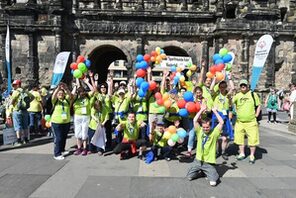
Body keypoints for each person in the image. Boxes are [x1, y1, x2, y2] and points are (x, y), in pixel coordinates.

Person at [186, 104, 224, 186]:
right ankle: (202, 172)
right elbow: (194, 121)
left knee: (213, 183)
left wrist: (215, 111)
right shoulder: (199, 131)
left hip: (208, 162)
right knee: (189, 177)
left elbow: (221, 122)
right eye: (204, 127)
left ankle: (210, 172)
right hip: (198, 161)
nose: (205, 129)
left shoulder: (214, 133)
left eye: (207, 127)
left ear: (210, 126)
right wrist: (201, 110)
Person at [232, 79, 261, 164]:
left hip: (251, 121)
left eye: (244, 85)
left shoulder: (253, 94)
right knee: (239, 138)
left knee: (253, 139)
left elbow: (258, 105)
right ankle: (242, 153)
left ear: (247, 86)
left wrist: (256, 114)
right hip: (239, 121)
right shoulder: (237, 95)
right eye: (241, 85)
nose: (243, 86)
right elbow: (231, 102)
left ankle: (252, 155)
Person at [51, 82, 72, 160]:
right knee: (58, 138)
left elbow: (70, 95)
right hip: (56, 122)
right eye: (59, 93)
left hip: (66, 122)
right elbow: (53, 96)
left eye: (62, 93)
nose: (60, 94)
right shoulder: (55, 101)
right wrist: (58, 88)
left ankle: (62, 150)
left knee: (63, 137)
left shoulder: (66, 100)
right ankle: (57, 154)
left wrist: (65, 88)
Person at [10, 80, 34, 145]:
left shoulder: (16, 92)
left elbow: (12, 101)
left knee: (18, 126)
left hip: (17, 110)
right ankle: (26, 140)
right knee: (25, 126)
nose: (13, 86)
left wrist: (11, 106)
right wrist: (28, 102)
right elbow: (33, 97)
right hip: (25, 110)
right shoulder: (25, 91)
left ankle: (19, 141)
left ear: (18, 85)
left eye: (14, 85)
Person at [73, 85, 92, 156]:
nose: (81, 93)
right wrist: (75, 87)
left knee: (84, 133)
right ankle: (79, 148)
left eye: (82, 92)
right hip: (77, 116)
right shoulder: (76, 99)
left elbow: (93, 90)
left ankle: (84, 148)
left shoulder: (88, 98)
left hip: (86, 116)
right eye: (79, 92)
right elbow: (71, 94)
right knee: (78, 133)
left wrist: (87, 82)